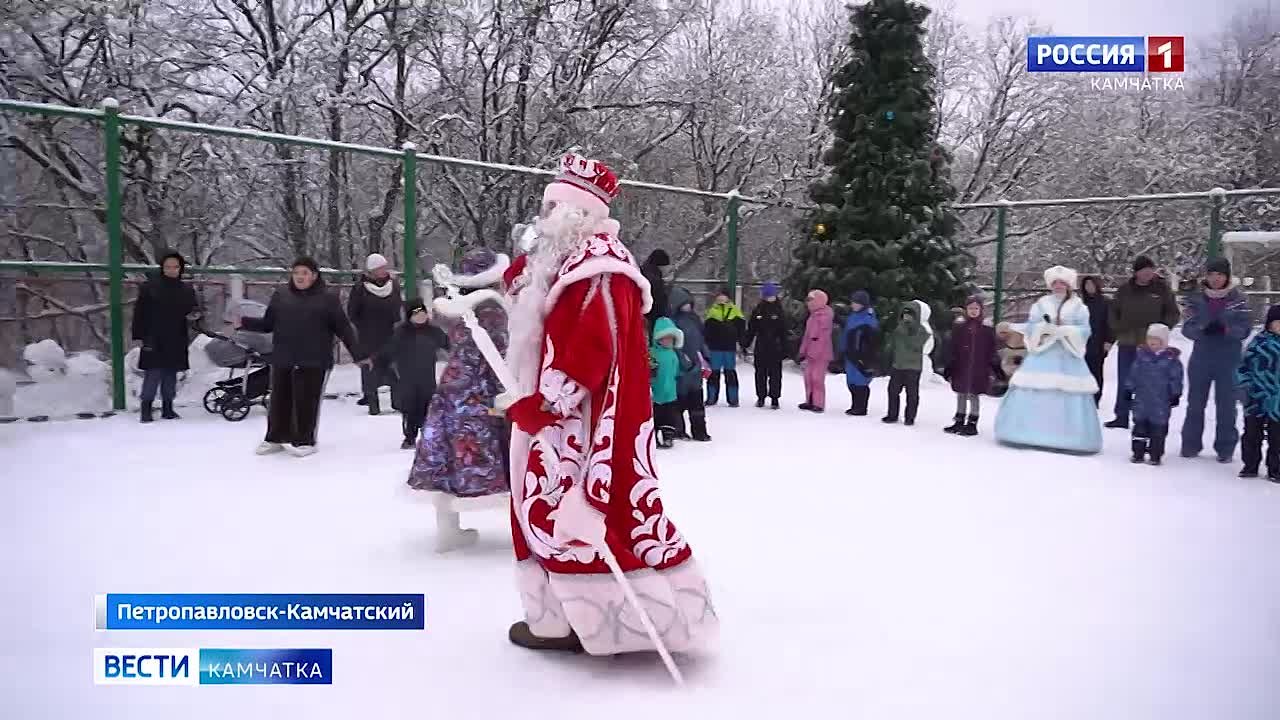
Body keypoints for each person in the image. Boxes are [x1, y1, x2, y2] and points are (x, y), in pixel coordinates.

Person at [498, 153, 717, 655]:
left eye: (555, 206)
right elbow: (532, 294)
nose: (545, 216)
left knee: (573, 515)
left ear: (580, 213)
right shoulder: (568, 257)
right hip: (560, 420)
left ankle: (605, 622)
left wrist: (546, 405)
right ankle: (558, 617)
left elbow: (593, 349)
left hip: (583, 424)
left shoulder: (599, 267)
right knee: (545, 511)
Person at [407, 249, 510, 552]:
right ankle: (522, 532)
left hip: (452, 386)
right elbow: (498, 354)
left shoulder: (453, 305)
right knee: (498, 456)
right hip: (482, 389)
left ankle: (448, 531)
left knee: (445, 457)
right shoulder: (492, 309)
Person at [242, 257, 366, 457]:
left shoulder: (327, 299)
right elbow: (268, 324)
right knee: (279, 400)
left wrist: (358, 354)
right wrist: (244, 322)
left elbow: (343, 328)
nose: (300, 277)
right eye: (297, 272)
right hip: (284, 356)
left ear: (314, 276)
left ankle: (305, 440)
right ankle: (275, 437)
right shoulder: (281, 295)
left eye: (305, 273)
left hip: (314, 358)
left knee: (306, 401)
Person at [994, 266, 1102, 454]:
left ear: (1069, 285)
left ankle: (1070, 437)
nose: (1058, 286)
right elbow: (1032, 326)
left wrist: (1066, 331)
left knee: (1069, 391)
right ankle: (1025, 432)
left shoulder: (1079, 307)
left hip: (1068, 355)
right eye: (1055, 283)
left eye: (1062, 283)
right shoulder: (1041, 304)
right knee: (1033, 388)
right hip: (1043, 352)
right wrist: (1043, 330)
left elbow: (1085, 330)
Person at [1180, 257, 1252, 462]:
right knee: (1195, 403)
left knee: (1227, 405)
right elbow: (1187, 327)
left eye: (1219, 274)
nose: (1215, 279)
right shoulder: (1196, 298)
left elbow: (1245, 328)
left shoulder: (1239, 299)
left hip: (1228, 358)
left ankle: (1225, 448)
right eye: (1211, 274)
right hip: (1202, 356)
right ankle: (1190, 445)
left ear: (1227, 276)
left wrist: (1226, 330)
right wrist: (1202, 329)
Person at [1106, 255, 1181, 428]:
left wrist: (1161, 329)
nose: (1147, 273)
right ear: (1136, 272)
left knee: (1149, 381)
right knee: (1125, 379)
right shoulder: (1125, 290)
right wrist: (1117, 327)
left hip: (1152, 345)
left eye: (1150, 269)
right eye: (1143, 270)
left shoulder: (1162, 290)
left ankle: (1147, 416)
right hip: (1127, 340)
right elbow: (1113, 311)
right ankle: (1121, 415)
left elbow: (1173, 313)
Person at [130, 250, 199, 423]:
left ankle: (168, 407)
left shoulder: (186, 289)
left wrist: (194, 316)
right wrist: (140, 334)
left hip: (176, 335)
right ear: (162, 268)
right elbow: (140, 312)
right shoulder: (150, 287)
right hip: (153, 335)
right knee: (153, 373)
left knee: (171, 372)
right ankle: (146, 408)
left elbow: (193, 309)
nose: (172, 270)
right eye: (168, 266)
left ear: (180, 269)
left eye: (175, 267)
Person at [386, 298, 449, 450]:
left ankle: (429, 436)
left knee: (428, 406)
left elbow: (448, 344)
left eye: (423, 313)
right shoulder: (402, 333)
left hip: (427, 376)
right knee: (410, 407)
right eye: (416, 314)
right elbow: (389, 352)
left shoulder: (433, 331)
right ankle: (410, 436)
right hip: (407, 377)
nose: (420, 316)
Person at [348, 253, 403, 415]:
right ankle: (372, 401)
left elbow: (397, 304)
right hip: (368, 333)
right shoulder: (360, 288)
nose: (383, 270)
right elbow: (353, 311)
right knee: (370, 367)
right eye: (380, 268)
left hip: (390, 331)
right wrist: (363, 326)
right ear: (372, 270)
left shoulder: (393, 285)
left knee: (394, 367)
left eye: (384, 267)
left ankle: (398, 402)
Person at [1126, 323, 1184, 465]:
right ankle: (1138, 453)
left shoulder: (1171, 360)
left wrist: (1175, 394)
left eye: (1156, 339)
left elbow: (1176, 378)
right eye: (1150, 338)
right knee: (1139, 427)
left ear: (1163, 342)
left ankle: (1155, 454)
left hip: (1161, 402)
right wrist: (1128, 389)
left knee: (1158, 429)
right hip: (1142, 400)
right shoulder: (1141, 357)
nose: (1152, 342)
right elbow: (1133, 374)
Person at [941, 296, 998, 435]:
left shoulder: (986, 328)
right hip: (961, 366)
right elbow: (953, 346)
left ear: (981, 310)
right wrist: (950, 364)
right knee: (960, 392)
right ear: (966, 310)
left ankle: (972, 422)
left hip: (979, 368)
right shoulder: (960, 327)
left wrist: (994, 366)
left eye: (976, 308)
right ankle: (959, 420)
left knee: (973, 394)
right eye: (971, 308)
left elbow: (992, 349)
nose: (973, 311)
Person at [1236, 304, 1280, 481]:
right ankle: (1250, 465)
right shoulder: (1258, 343)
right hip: (1256, 396)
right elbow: (1243, 366)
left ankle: (1275, 468)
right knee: (1252, 434)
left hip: (1277, 401)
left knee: (1277, 438)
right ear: (1269, 323)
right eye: (1277, 322)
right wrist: (1244, 386)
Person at [669, 287, 711, 441]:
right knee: (680, 402)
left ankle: (700, 431)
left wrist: (706, 357)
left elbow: (701, 340)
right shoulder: (673, 321)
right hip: (682, 368)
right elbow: (673, 345)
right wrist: (683, 360)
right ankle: (679, 430)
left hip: (695, 367)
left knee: (697, 401)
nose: (688, 306)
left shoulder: (694, 319)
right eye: (684, 303)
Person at [882, 301, 930, 425]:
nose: (907, 317)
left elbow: (916, 345)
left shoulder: (921, 330)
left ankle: (910, 417)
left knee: (912, 394)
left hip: (913, 367)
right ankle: (892, 414)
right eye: (905, 314)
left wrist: (905, 331)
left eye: (910, 315)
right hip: (898, 365)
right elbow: (892, 345)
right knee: (892, 391)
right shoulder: (899, 328)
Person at [743, 283, 788, 409]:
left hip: (775, 346)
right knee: (760, 373)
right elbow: (752, 328)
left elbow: (784, 331)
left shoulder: (779, 310)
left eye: (772, 295)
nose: (770, 298)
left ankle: (775, 398)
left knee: (775, 374)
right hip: (761, 345)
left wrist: (785, 348)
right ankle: (761, 396)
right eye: (767, 295)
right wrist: (746, 342)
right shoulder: (758, 310)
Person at [703, 289, 745, 406]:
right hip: (715, 348)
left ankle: (733, 399)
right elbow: (706, 331)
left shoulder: (735, 311)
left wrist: (742, 343)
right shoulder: (712, 311)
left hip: (729, 348)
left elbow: (741, 329)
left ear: (728, 298)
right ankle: (711, 398)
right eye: (719, 296)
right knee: (713, 374)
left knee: (730, 373)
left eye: (723, 296)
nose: (721, 298)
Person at [841, 290, 880, 416]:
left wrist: (867, 357)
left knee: (861, 381)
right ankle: (855, 405)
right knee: (851, 381)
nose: (853, 305)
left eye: (856, 303)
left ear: (863, 304)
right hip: (850, 353)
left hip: (861, 355)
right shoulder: (853, 316)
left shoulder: (869, 320)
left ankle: (861, 407)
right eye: (853, 302)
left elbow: (872, 343)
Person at [797, 289, 834, 412]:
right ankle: (810, 400)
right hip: (810, 353)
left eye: (811, 300)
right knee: (808, 377)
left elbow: (822, 338)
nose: (808, 303)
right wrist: (803, 351)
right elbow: (807, 336)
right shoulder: (812, 317)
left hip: (821, 354)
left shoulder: (825, 316)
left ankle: (818, 403)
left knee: (817, 378)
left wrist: (815, 352)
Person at [1079, 275, 1114, 406]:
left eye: (1091, 284)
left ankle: (1095, 398)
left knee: (1096, 371)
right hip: (1082, 343)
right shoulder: (1081, 304)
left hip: (1098, 342)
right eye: (1086, 285)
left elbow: (1111, 324)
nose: (1089, 287)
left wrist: (1109, 341)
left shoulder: (1106, 303)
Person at [650, 317, 684, 449]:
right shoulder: (652, 353)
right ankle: (653, 437)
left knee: (669, 416)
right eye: (666, 338)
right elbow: (648, 371)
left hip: (670, 391)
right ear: (658, 339)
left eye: (671, 339)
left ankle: (668, 436)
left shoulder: (673, 355)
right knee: (656, 415)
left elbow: (676, 371)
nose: (669, 341)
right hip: (655, 391)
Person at [640, 249, 671, 335]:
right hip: (653, 314)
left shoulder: (649, 272)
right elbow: (658, 295)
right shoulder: (653, 277)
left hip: (651, 313)